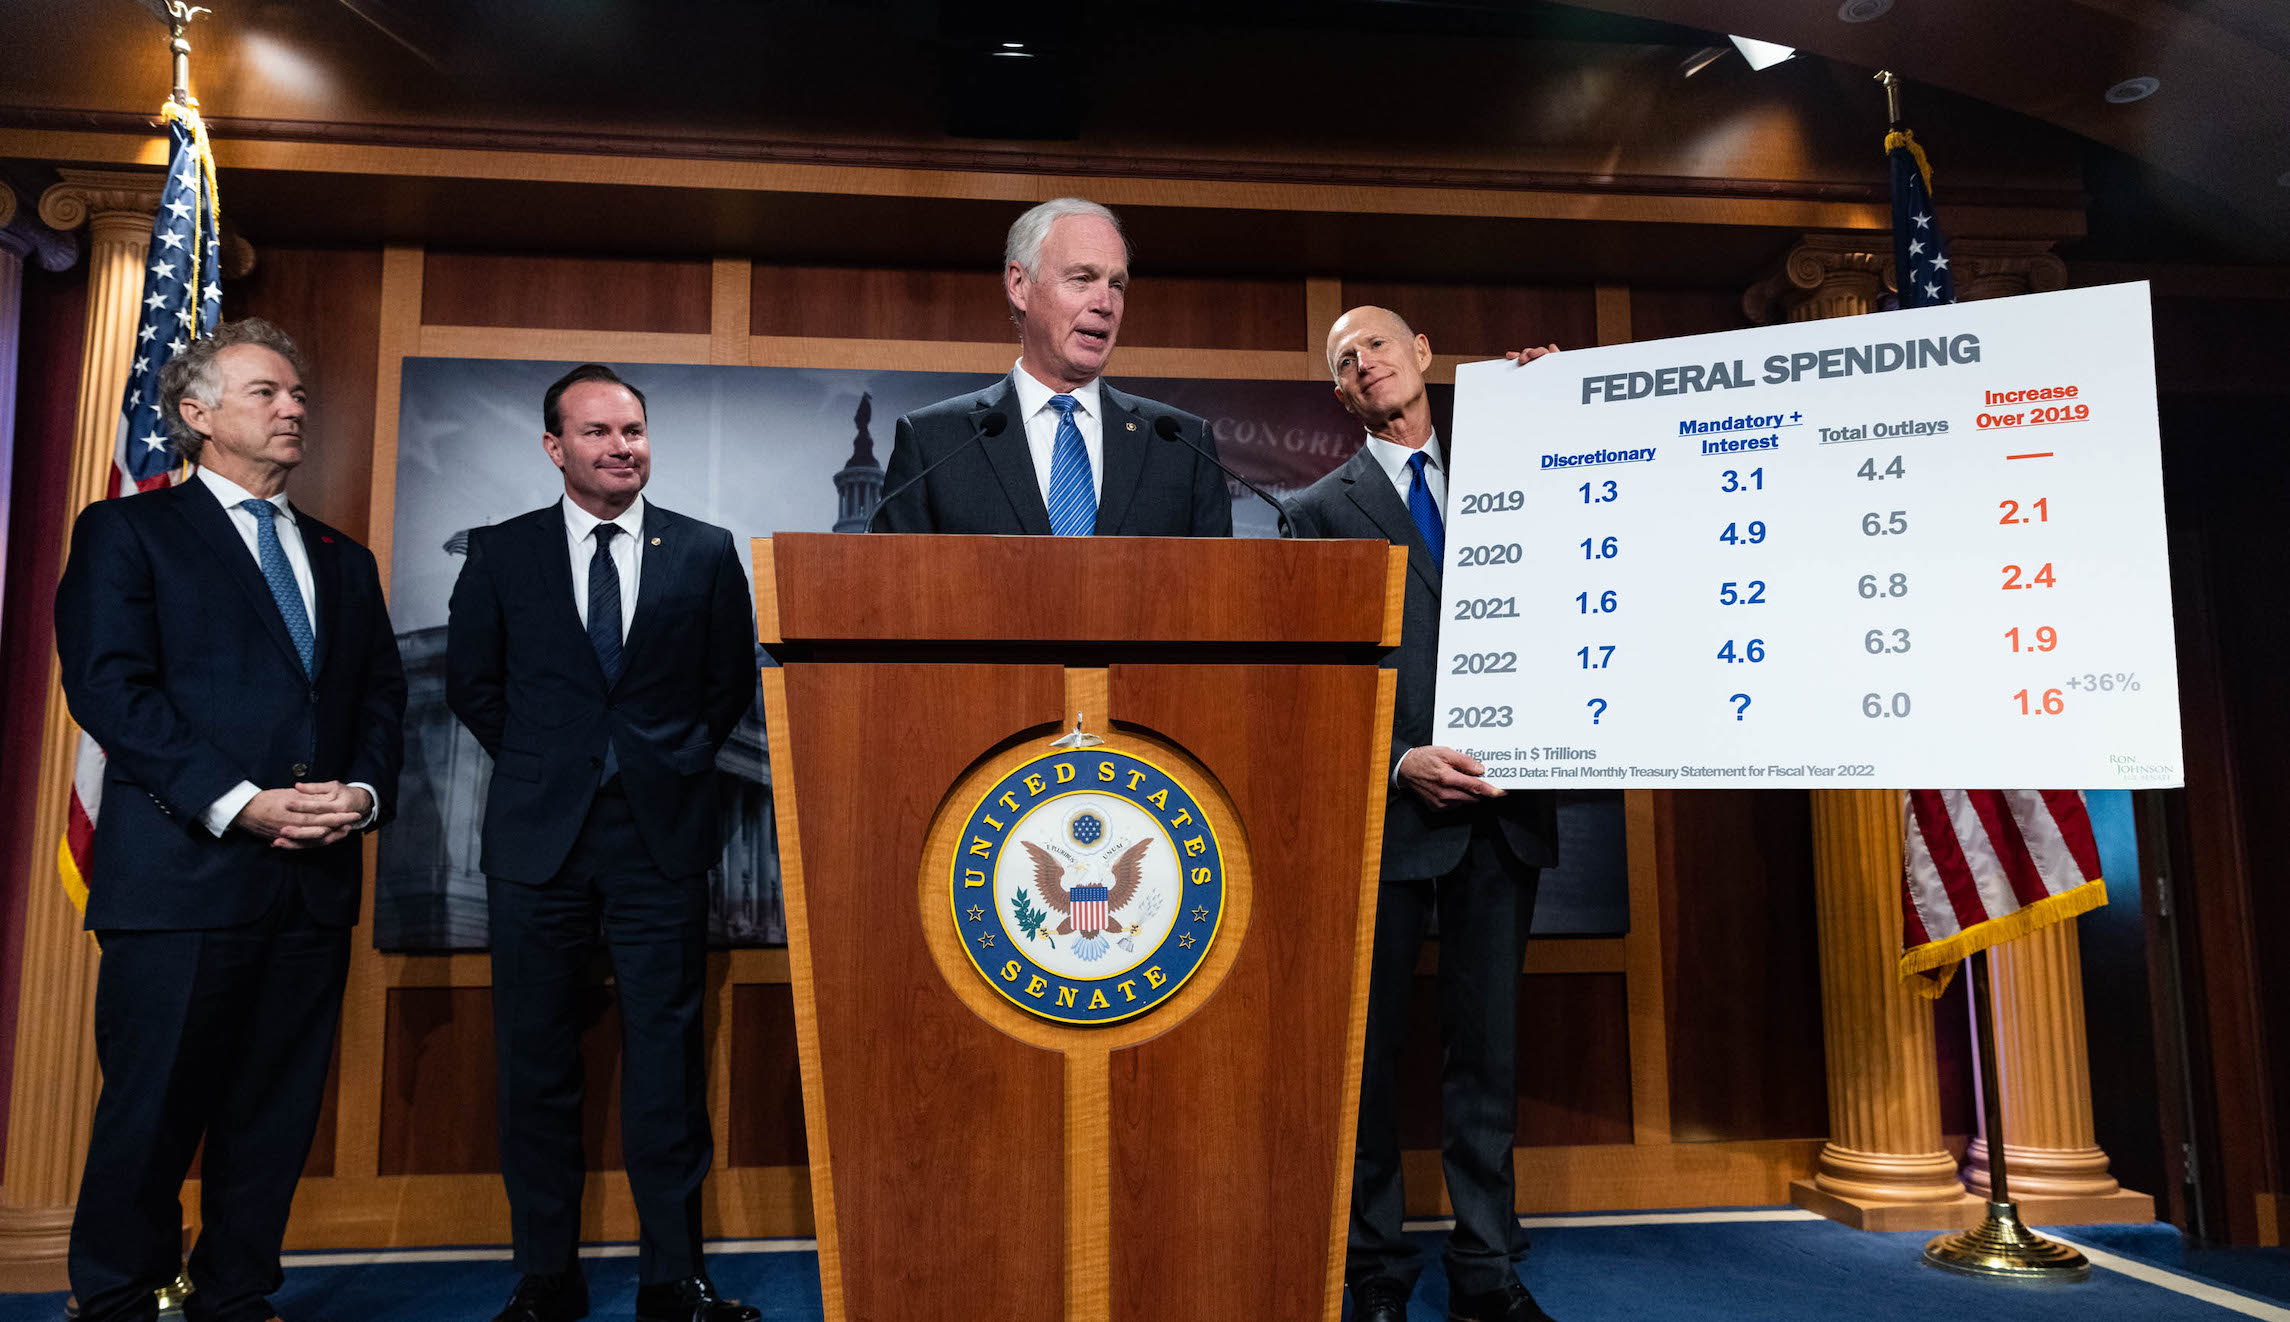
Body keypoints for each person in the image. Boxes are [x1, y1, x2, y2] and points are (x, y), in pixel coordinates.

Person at [54, 318, 406, 1322]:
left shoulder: (345, 557)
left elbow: (381, 700)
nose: (293, 407)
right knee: (151, 1110)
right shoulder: (127, 532)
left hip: (313, 883)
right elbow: (111, 691)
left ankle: (235, 1296)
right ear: (195, 414)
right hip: (178, 879)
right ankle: (119, 1298)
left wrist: (362, 792)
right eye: (266, 392)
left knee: (273, 1111)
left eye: (297, 394)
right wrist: (240, 802)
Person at [446, 364, 760, 1322]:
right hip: (539, 848)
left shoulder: (704, 552)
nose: (622, 446)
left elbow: (724, 689)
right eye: (598, 432)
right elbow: (475, 686)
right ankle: (547, 1276)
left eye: (634, 429)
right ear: (555, 448)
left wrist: (663, 766)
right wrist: (557, 767)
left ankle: (675, 1280)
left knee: (666, 1065)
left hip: (659, 843)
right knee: (536, 1066)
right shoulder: (502, 554)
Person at [1284, 306, 1563, 1322]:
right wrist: (1398, 759)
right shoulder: (1315, 510)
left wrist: (1556, 397)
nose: (1363, 360)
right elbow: (1312, 679)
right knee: (1371, 1055)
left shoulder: (1517, 472)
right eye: (1343, 358)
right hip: (1386, 822)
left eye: (1377, 343)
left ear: (1424, 357)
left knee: (1486, 1052)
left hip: (1504, 814)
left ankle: (1487, 1270)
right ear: (1341, 394)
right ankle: (1372, 1273)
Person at [872, 196, 1233, 536]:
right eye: (1082, 279)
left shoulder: (1182, 445)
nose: (1105, 303)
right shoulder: (935, 443)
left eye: (1117, 284)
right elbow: (895, 590)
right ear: (1019, 285)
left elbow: (1220, 591)